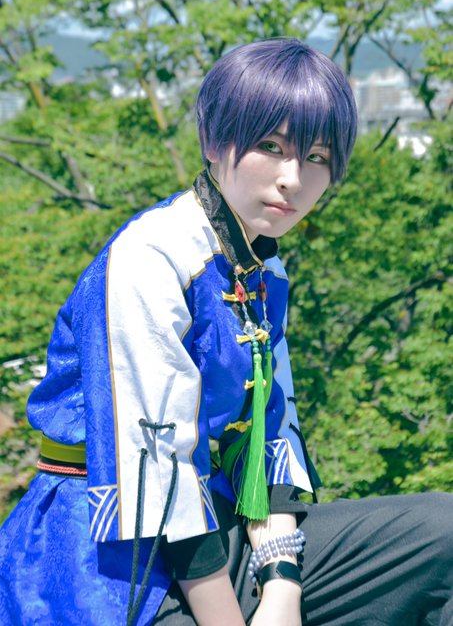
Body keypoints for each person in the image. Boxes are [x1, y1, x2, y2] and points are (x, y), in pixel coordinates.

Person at [0, 37, 452, 626]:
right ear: (214, 141)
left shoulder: (262, 268)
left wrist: (282, 587)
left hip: (213, 526)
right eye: (271, 146)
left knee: (442, 534)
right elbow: (156, 470)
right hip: (98, 551)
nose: (293, 178)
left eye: (317, 156)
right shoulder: (151, 258)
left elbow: (267, 433)